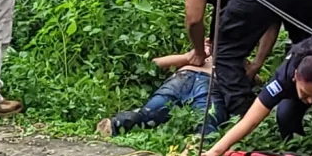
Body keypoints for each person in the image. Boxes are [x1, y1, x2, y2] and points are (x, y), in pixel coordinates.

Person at [185, 0, 312, 117]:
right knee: (309, 48)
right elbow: (272, 15)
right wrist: (257, 63)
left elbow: (194, 18)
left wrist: (199, 52)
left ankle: (243, 116)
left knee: (225, 50)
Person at [96, 42, 226, 137]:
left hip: (210, 85)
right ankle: (115, 124)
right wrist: (190, 56)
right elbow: (154, 64)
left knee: (207, 120)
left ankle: (196, 145)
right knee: (148, 113)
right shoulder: (199, 55)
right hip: (183, 78)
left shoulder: (235, 61)